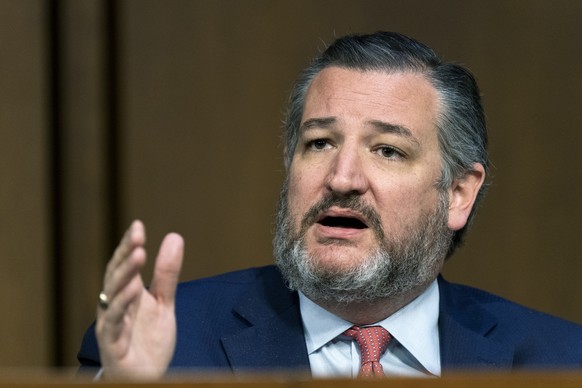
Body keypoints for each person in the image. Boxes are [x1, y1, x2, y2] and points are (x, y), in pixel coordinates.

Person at [78, 31, 582, 379]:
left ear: (458, 193)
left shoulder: (562, 361)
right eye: (319, 143)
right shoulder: (164, 349)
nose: (342, 179)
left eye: (387, 150)